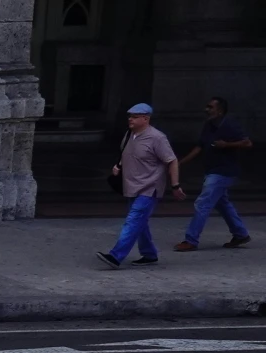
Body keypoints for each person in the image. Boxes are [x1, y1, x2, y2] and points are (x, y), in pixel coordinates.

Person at [98, 104, 182, 268]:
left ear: (146, 118)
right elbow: (125, 153)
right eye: (130, 116)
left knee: (133, 220)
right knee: (139, 222)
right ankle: (149, 254)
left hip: (149, 188)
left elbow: (172, 161)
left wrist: (175, 185)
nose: (130, 119)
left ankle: (116, 256)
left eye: (135, 116)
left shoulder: (157, 138)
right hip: (132, 186)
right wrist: (119, 166)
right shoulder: (129, 134)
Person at [176, 95, 253, 250]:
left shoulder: (229, 124)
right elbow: (199, 146)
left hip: (224, 171)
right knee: (222, 203)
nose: (207, 109)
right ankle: (240, 234)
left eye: (210, 107)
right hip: (213, 169)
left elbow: (248, 143)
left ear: (220, 111)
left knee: (202, 203)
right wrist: (179, 163)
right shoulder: (209, 124)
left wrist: (226, 145)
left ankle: (191, 240)